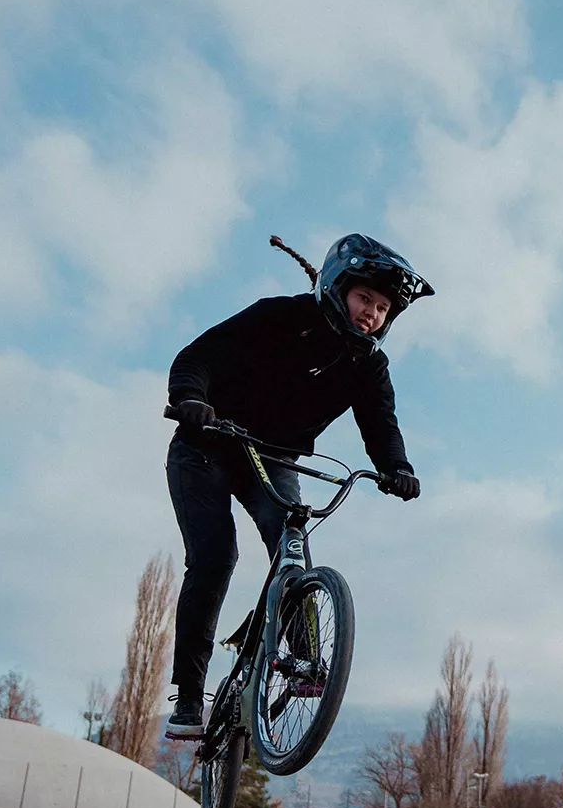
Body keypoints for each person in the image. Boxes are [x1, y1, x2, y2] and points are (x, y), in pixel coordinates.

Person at [162, 234, 429, 743]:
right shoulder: (280, 317)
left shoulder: (368, 365)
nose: (372, 314)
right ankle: (189, 695)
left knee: (291, 538)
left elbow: (380, 423)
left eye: (382, 308)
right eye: (365, 298)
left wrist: (397, 467)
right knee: (216, 557)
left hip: (272, 457)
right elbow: (199, 356)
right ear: (337, 287)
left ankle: (304, 661)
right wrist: (190, 397)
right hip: (207, 444)